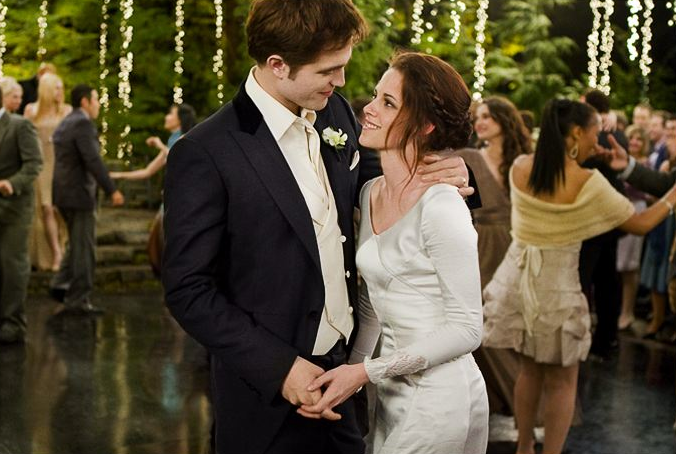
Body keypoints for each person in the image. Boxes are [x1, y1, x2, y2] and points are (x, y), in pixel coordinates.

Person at [162, 2, 478, 453]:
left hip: (347, 383)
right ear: (278, 65)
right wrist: (280, 368)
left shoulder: (336, 115)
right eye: (329, 70)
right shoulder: (207, 151)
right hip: (266, 399)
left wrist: (454, 175)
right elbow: (187, 289)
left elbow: (396, 186)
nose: (341, 82)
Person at [301, 51, 489, 454]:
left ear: (424, 125)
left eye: (388, 103)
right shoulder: (370, 193)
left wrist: (366, 372)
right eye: (375, 96)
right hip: (390, 394)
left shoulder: (442, 205)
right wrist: (346, 378)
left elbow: (468, 328)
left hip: (442, 398)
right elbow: (371, 306)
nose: (368, 109)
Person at [483, 99, 676, 454]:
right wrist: (673, 194)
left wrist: (589, 156)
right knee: (562, 380)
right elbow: (640, 224)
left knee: (529, 372)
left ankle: (524, 447)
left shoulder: (522, 167)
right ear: (575, 133)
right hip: (557, 288)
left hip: (519, 280)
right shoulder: (588, 183)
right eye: (593, 132)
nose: (596, 139)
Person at [454, 96, 531, 422]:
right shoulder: (469, 157)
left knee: (515, 321)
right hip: (482, 245)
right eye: (478, 117)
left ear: (504, 120)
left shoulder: (524, 160)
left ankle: (530, 403)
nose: (480, 122)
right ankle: (507, 399)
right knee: (484, 319)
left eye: (488, 116)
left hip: (520, 244)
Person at [49, 84, 124, 314]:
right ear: (85, 101)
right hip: (79, 194)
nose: (98, 105)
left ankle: (60, 284)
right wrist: (112, 190)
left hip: (63, 193)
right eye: (96, 99)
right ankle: (78, 300)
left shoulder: (66, 121)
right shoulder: (82, 124)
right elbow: (92, 160)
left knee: (76, 244)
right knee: (84, 249)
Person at [0, 87, 42, 344]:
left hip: (14, 208)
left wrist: (11, 183)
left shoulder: (19, 125)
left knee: (12, 264)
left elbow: (34, 163)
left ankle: (12, 323)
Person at [24, 72, 72, 272]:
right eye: (56, 87)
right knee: (46, 208)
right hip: (41, 166)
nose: (60, 91)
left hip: (61, 165)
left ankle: (63, 247)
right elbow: (25, 137)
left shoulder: (67, 111)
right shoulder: (31, 110)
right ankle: (56, 253)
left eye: (61, 88)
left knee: (60, 210)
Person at [617, 125, 650, 330]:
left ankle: (627, 311)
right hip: (618, 209)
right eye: (632, 138)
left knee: (630, 265)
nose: (635, 142)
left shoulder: (646, 164)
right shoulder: (619, 159)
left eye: (639, 139)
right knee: (617, 265)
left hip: (636, 210)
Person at [110, 103, 197, 181]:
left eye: (170, 114)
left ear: (180, 119)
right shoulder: (170, 143)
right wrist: (116, 175)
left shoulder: (186, 138)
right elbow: (147, 171)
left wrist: (160, 145)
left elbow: (178, 158)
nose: (166, 117)